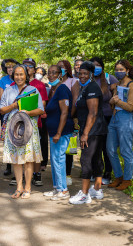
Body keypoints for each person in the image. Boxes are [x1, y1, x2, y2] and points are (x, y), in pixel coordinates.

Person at [0, 65, 45, 199]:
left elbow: (41, 110)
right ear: (13, 76)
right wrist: (14, 105)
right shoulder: (8, 91)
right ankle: (19, 187)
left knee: (28, 159)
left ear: (26, 75)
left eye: (21, 74)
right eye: (16, 74)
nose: (19, 77)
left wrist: (29, 112)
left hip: (28, 126)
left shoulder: (33, 90)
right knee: (16, 159)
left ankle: (27, 188)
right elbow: (2, 110)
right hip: (13, 127)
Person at [69, 61, 107, 204]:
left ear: (91, 74)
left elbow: (93, 112)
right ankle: (96, 190)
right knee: (96, 159)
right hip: (95, 129)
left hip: (92, 130)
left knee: (86, 159)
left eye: (85, 73)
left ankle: (84, 194)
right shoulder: (84, 88)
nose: (82, 76)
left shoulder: (92, 88)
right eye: (80, 73)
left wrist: (85, 134)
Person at [107, 59, 133, 190]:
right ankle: (118, 176)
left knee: (126, 151)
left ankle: (127, 179)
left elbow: (131, 107)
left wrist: (117, 101)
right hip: (114, 118)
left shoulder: (132, 86)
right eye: (117, 69)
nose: (118, 72)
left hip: (125, 119)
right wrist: (112, 101)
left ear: (127, 71)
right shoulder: (117, 84)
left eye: (121, 70)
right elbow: (112, 102)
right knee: (110, 149)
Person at [43, 65, 74, 200]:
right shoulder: (53, 90)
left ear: (60, 74)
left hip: (61, 132)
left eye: (53, 73)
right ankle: (57, 188)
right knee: (55, 160)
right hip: (53, 131)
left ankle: (63, 191)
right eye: (49, 73)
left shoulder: (62, 89)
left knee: (59, 160)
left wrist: (58, 133)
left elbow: (65, 112)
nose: (50, 75)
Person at [89, 57, 118, 185]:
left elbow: (119, 94)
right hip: (92, 117)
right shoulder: (87, 79)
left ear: (103, 66)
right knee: (95, 147)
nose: (96, 68)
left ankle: (108, 173)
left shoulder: (109, 78)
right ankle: (96, 172)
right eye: (93, 66)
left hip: (107, 117)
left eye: (98, 65)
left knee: (107, 147)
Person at [22, 58, 48, 186]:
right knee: (21, 149)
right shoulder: (16, 84)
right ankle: (23, 174)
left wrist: (29, 111)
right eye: (25, 65)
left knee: (35, 150)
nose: (27, 68)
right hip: (19, 123)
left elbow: (42, 104)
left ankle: (37, 174)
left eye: (30, 66)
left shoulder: (39, 84)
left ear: (34, 68)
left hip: (34, 122)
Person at [57, 60, 78, 186]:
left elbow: (75, 99)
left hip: (69, 118)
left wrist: (70, 115)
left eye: (63, 67)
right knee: (58, 148)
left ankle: (68, 174)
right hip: (57, 118)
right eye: (59, 67)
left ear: (68, 68)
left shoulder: (73, 81)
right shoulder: (56, 83)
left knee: (69, 148)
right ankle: (59, 174)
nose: (61, 69)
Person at [0, 58, 19, 176]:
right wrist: (10, 107)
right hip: (6, 113)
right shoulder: (3, 80)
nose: (10, 69)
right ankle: (8, 166)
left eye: (12, 67)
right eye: (8, 67)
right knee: (8, 139)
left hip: (19, 112)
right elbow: (2, 97)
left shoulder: (19, 79)